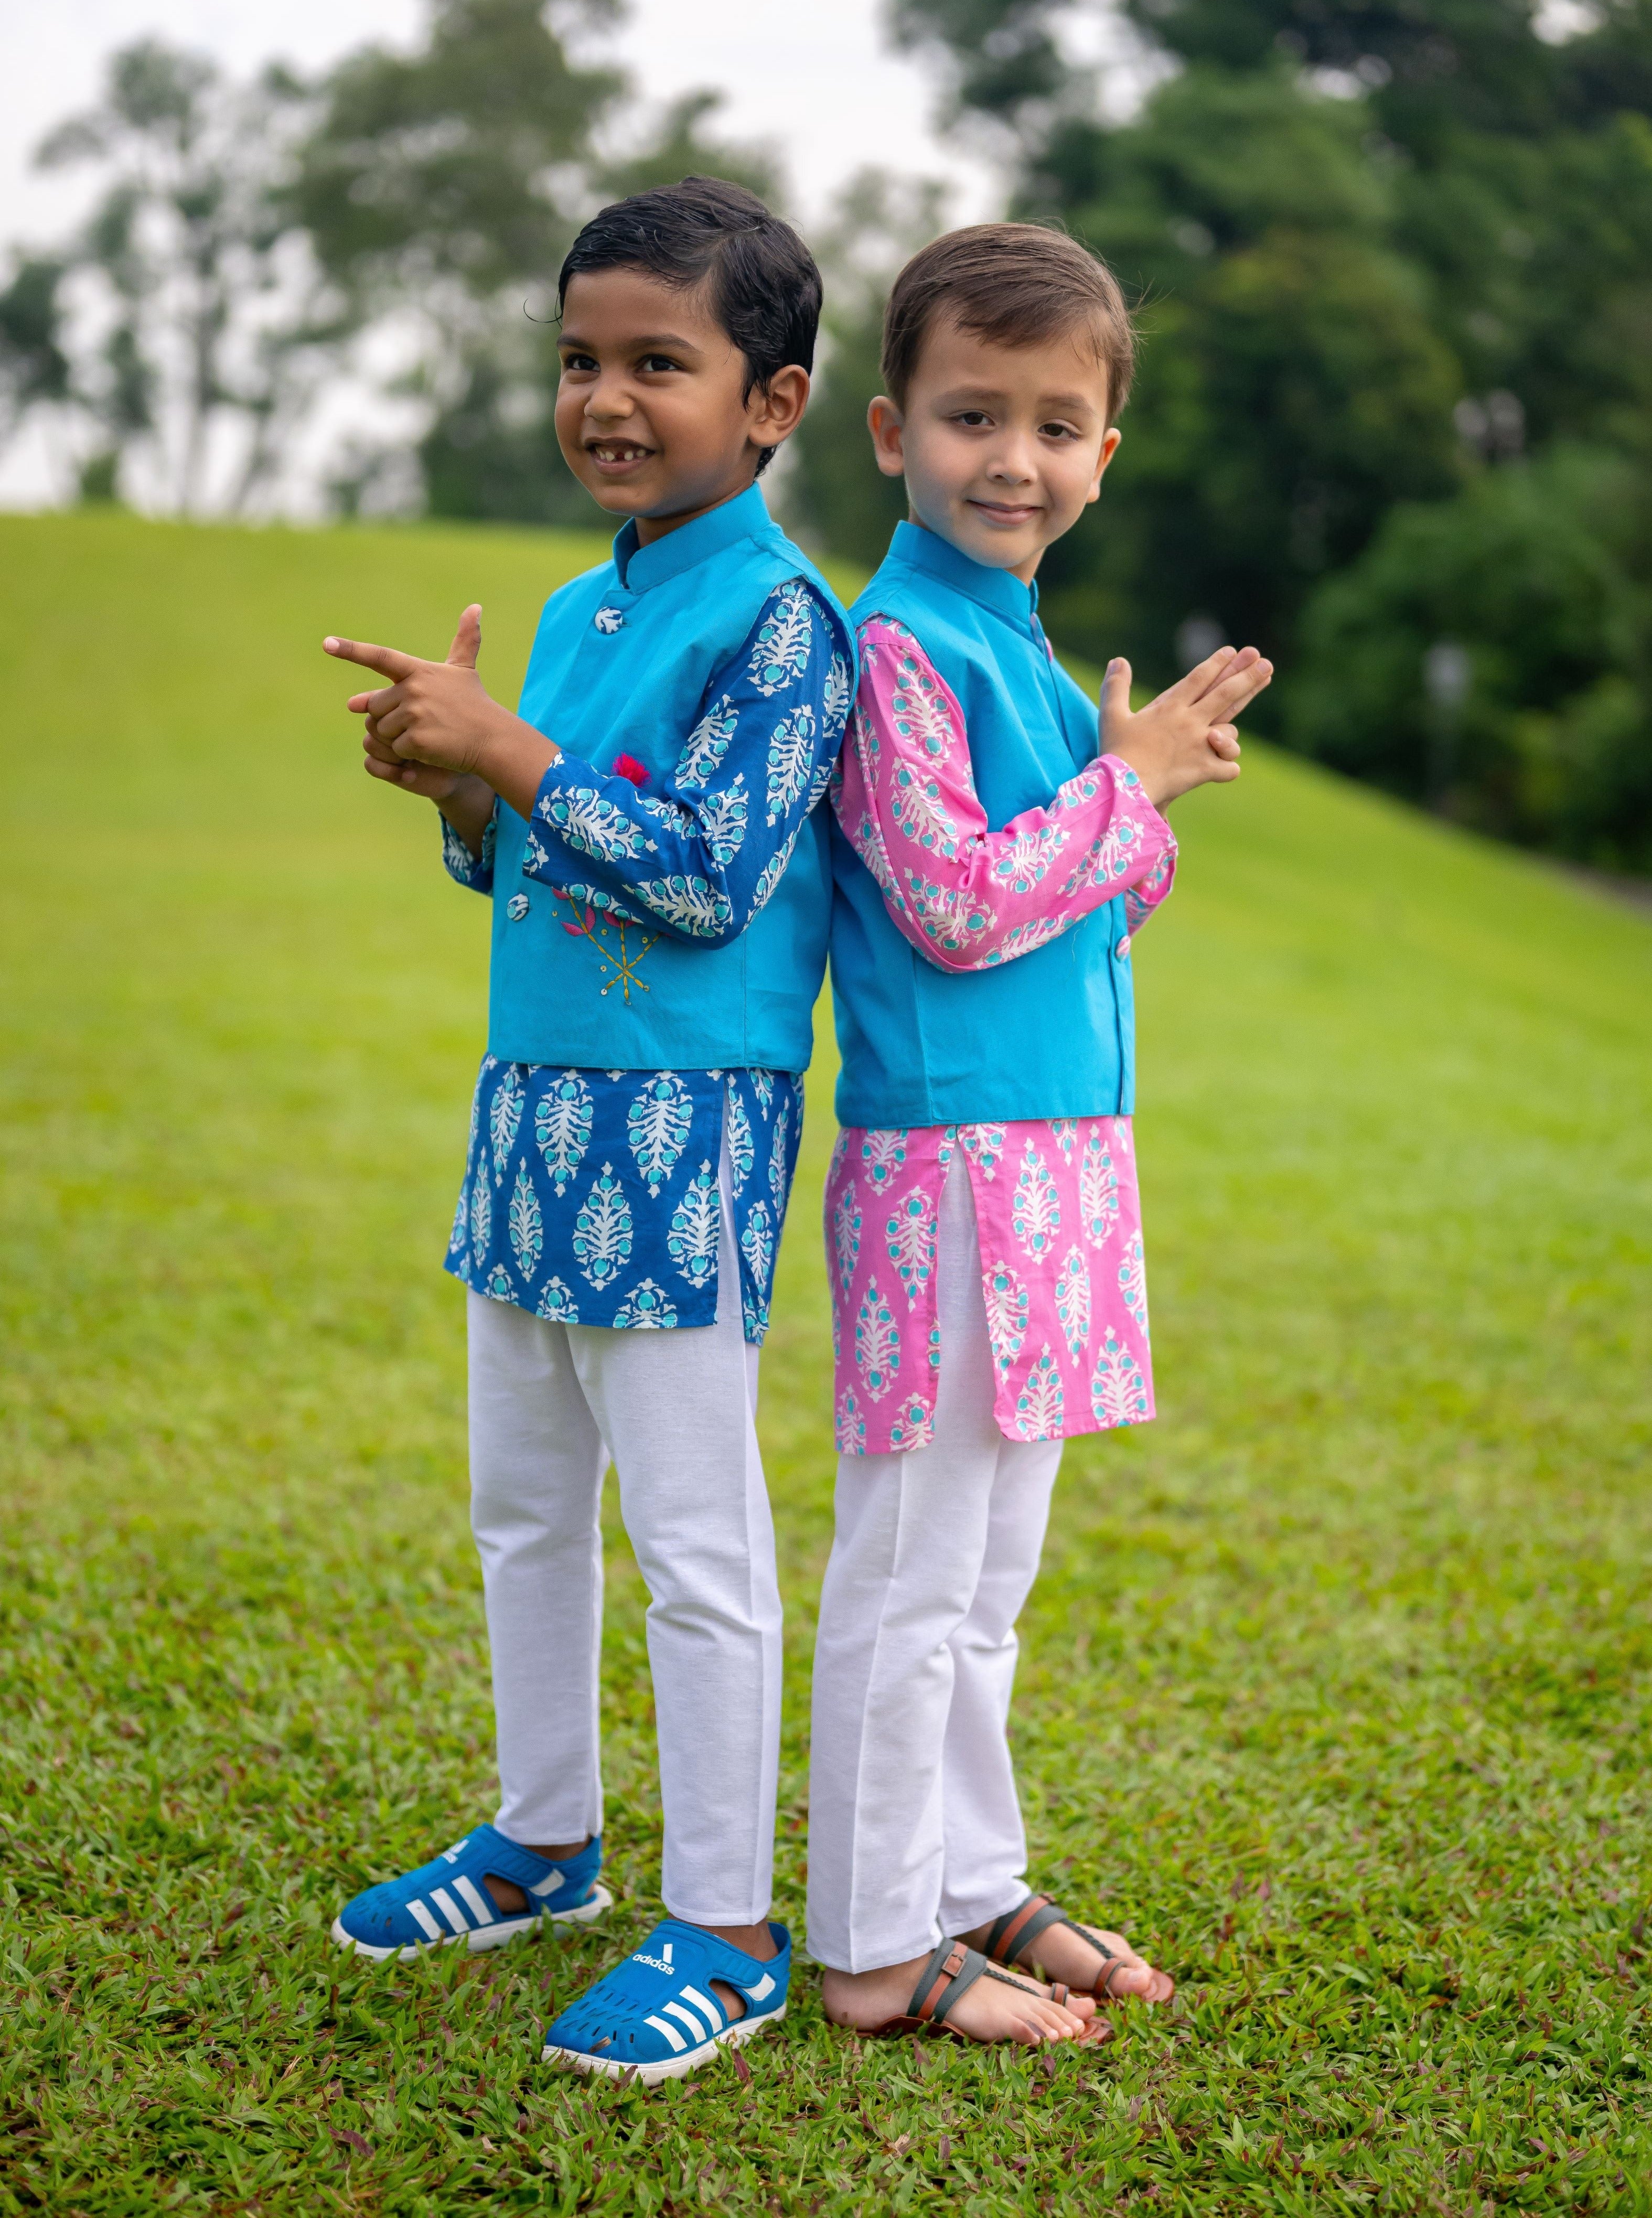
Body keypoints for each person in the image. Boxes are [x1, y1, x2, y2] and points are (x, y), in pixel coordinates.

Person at [321, 177, 856, 2084]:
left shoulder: (789, 623)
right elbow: (533, 870)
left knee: (695, 1543)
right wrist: (462, 799)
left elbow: (708, 878)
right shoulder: (572, 608)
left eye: (657, 363)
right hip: (533, 1114)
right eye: (578, 360)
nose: (606, 399)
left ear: (773, 403)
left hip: (684, 1128)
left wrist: (515, 755)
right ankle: (543, 1839)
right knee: (526, 1508)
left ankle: (726, 1927)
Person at [808, 223, 1273, 2045]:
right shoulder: (898, 648)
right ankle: (871, 1943)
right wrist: (1124, 787)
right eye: (974, 415)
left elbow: (1083, 903)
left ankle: (965, 1880)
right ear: (890, 432)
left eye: (1058, 427)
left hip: (1066, 1154)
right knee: (912, 1571)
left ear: (1104, 452)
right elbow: (952, 903)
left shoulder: (1015, 642)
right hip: (950, 1166)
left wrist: (1136, 794)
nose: (1016, 458)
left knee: (991, 1579)